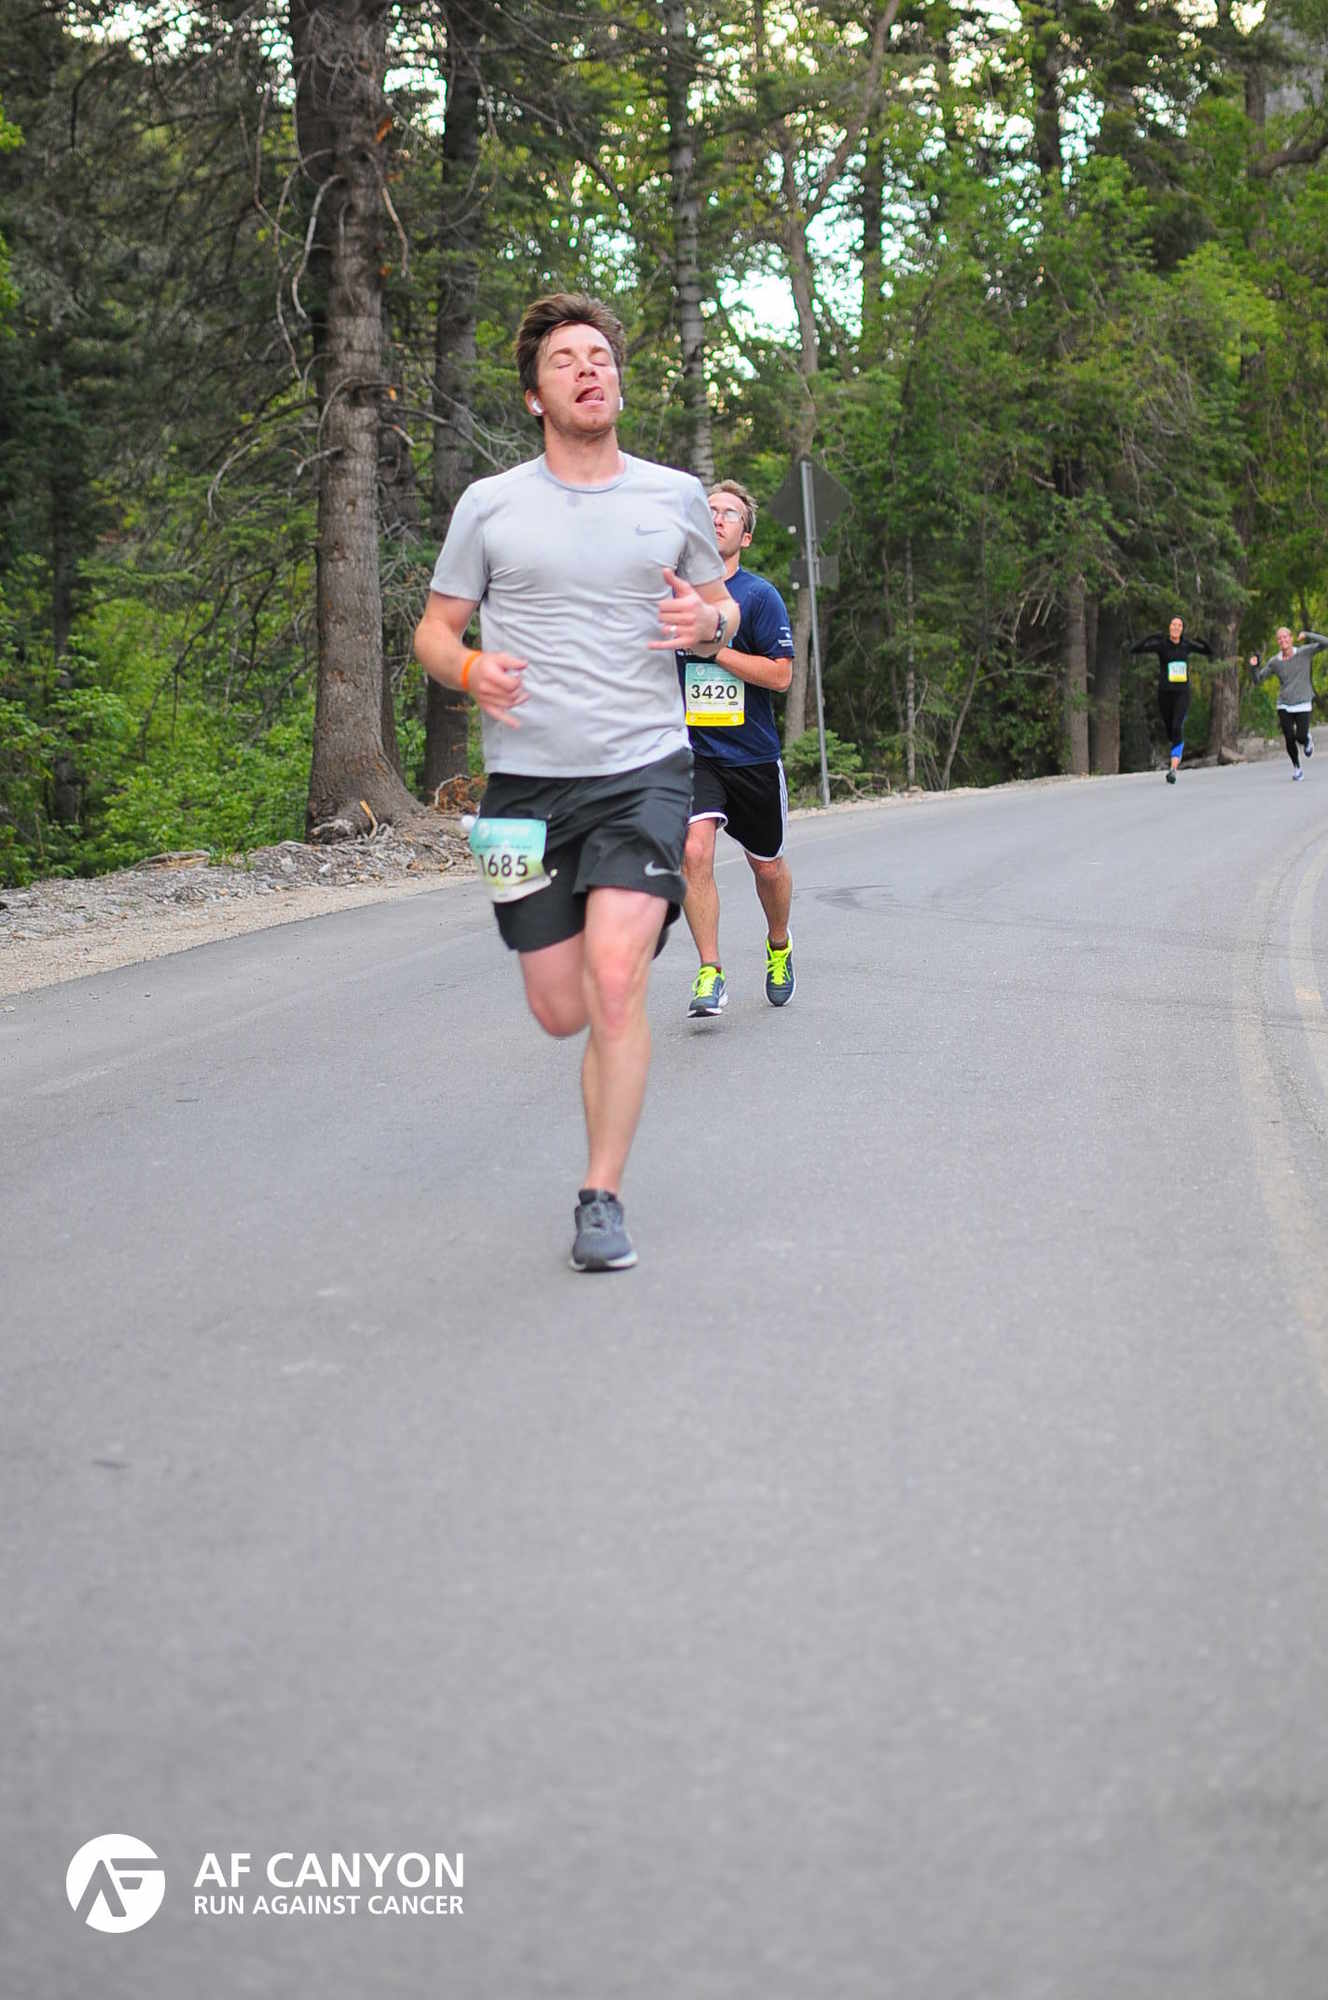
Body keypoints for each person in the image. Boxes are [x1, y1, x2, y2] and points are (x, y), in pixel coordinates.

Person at [413, 292, 738, 1272]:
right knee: (559, 1008)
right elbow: (434, 631)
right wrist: (471, 668)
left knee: (614, 980)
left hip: (644, 772)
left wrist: (708, 626)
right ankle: (589, 978)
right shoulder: (490, 506)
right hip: (520, 795)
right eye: (565, 359)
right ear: (533, 397)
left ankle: (601, 1195)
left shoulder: (673, 496)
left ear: (618, 382)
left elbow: (717, 611)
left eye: (600, 355)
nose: (589, 368)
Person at [677, 480, 797, 1018]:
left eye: (730, 513)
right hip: (695, 754)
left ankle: (779, 944)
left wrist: (715, 650)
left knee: (766, 868)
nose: (718, 518)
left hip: (752, 757)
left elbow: (781, 675)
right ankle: (711, 971)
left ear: (744, 536)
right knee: (694, 851)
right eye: (710, 511)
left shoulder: (758, 596)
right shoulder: (675, 595)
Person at [1130, 617, 1213, 782]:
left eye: (1179, 625)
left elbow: (1209, 651)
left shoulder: (1186, 645)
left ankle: (1173, 769)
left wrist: (1200, 640)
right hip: (1165, 694)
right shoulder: (1162, 645)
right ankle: (1176, 747)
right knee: (1170, 731)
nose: (1176, 627)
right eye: (1174, 625)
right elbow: (1135, 649)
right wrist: (1151, 637)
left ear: (1182, 629)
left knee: (1177, 727)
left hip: (1182, 693)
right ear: (1169, 628)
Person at [1249, 627, 1328, 780]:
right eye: (1280, 638)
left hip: (1303, 702)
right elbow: (1258, 680)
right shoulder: (1275, 662)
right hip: (1284, 704)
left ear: (1291, 638)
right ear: (1278, 642)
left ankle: (1306, 740)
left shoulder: (1304, 652)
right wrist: (1254, 667)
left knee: (1300, 737)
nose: (1283, 640)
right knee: (1289, 738)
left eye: (1285, 637)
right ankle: (1297, 768)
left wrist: (1307, 634)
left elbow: (1326, 642)